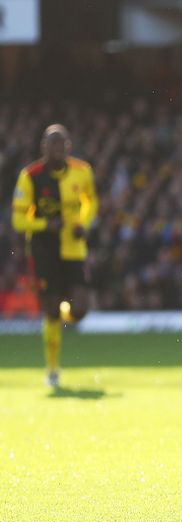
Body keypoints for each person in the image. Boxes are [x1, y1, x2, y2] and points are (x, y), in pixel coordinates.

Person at [11, 124, 98, 388]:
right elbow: (17, 219)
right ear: (44, 147)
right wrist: (44, 225)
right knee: (49, 311)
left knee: (81, 308)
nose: (57, 149)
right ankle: (52, 369)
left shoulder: (83, 171)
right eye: (52, 144)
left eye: (61, 144)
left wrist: (84, 222)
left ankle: (65, 311)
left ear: (68, 147)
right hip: (43, 250)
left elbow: (91, 201)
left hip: (73, 247)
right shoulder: (30, 176)